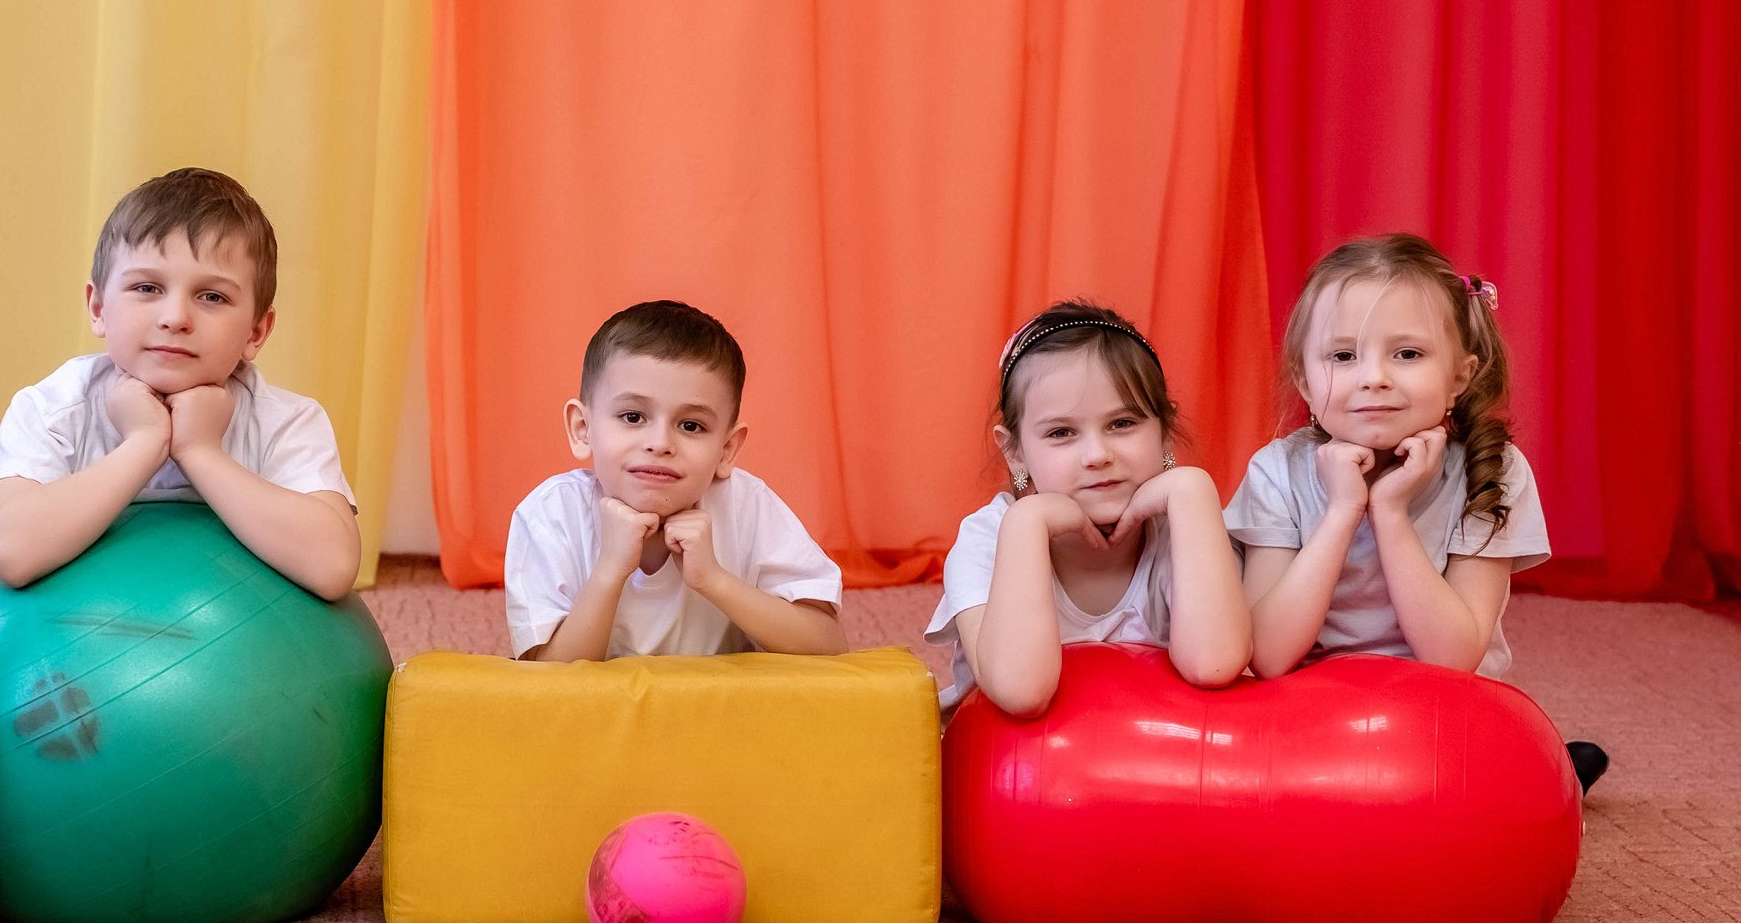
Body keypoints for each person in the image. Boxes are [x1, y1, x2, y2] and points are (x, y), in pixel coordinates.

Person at [1227, 233, 1606, 791]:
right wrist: (1342, 512)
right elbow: (1270, 656)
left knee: (1493, 789)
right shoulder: (1276, 470)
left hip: (1442, 712)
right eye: (1342, 356)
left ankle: (1551, 775)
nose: (1374, 377)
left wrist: (1391, 511)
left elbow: (1450, 659)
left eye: (1407, 354)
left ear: (1459, 375)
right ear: (1306, 382)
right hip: (1303, 711)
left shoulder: (1494, 470)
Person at [0, 167, 360, 598]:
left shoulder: (288, 422)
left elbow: (333, 566)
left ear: (255, 331)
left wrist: (200, 451)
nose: (175, 318)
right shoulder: (52, 408)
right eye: (147, 287)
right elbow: (12, 551)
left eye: (212, 297)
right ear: (99, 307)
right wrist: (145, 441)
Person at [924, 302, 1250, 718]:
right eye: (1062, 433)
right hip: (1014, 775)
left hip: (1150, 766)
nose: (1097, 455)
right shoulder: (986, 539)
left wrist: (1194, 493)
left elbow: (1215, 663)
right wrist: (1029, 522)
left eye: (1122, 424)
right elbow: (1021, 691)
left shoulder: (1182, 528)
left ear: (1166, 431)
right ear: (1015, 452)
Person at [505, 300, 844, 661]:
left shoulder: (747, 505)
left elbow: (829, 644)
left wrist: (714, 580)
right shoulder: (549, 515)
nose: (661, 444)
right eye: (633, 416)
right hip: (597, 718)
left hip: (717, 712)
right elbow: (545, 680)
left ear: (727, 449)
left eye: (691, 425)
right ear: (582, 429)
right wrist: (610, 571)